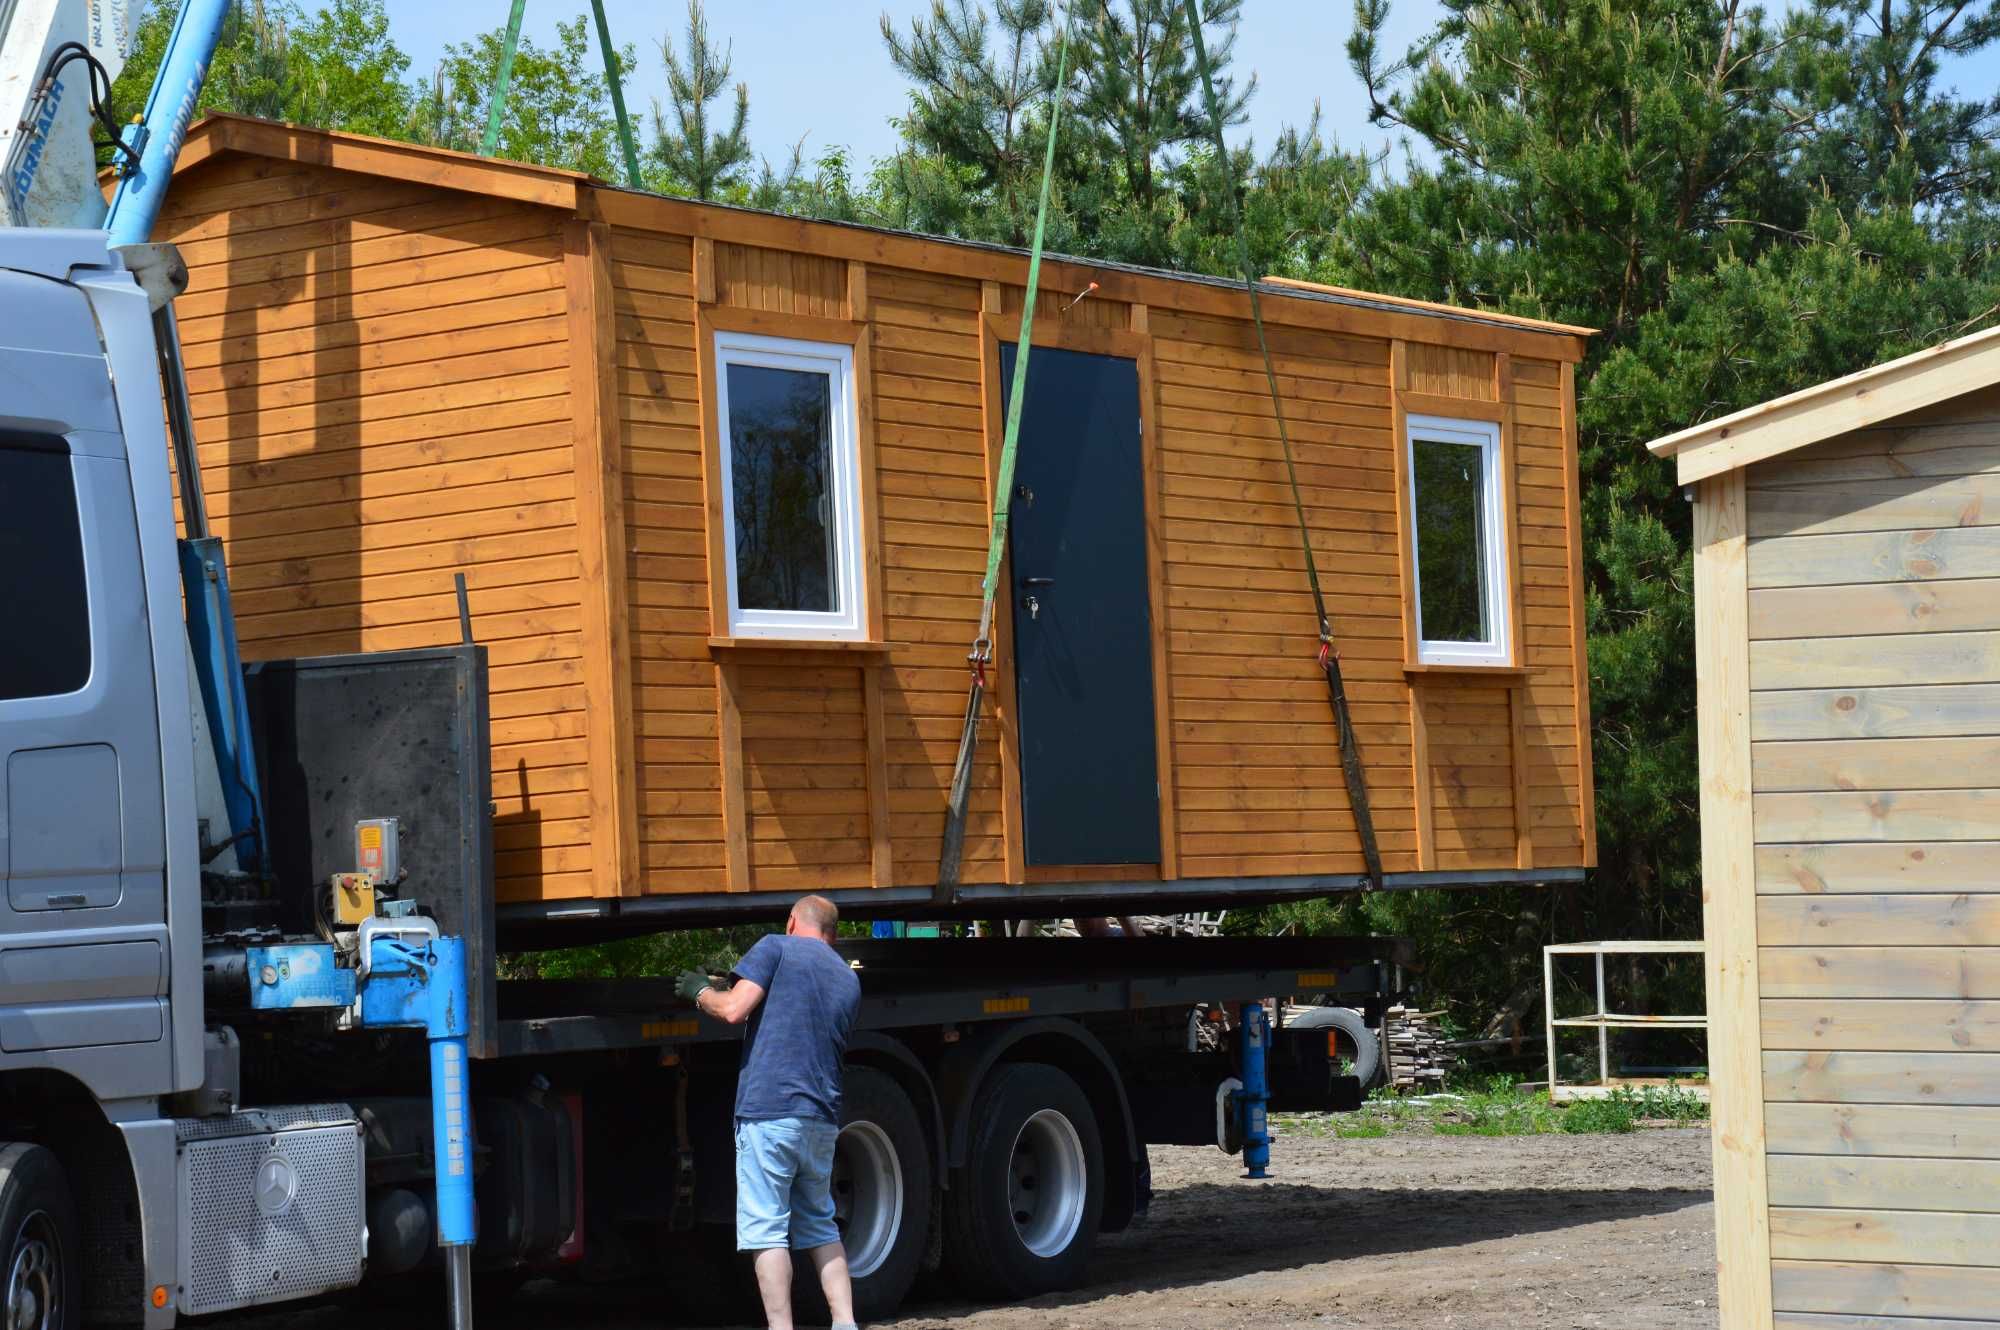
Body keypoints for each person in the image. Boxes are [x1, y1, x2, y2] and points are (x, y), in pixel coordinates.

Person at [677, 896, 862, 1330]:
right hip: (821, 1116)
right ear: (832, 933)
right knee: (820, 1224)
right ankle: (845, 1322)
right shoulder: (847, 978)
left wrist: (700, 991)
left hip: (771, 1111)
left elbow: (734, 1009)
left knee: (767, 1230)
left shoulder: (776, 946)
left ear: (793, 921)